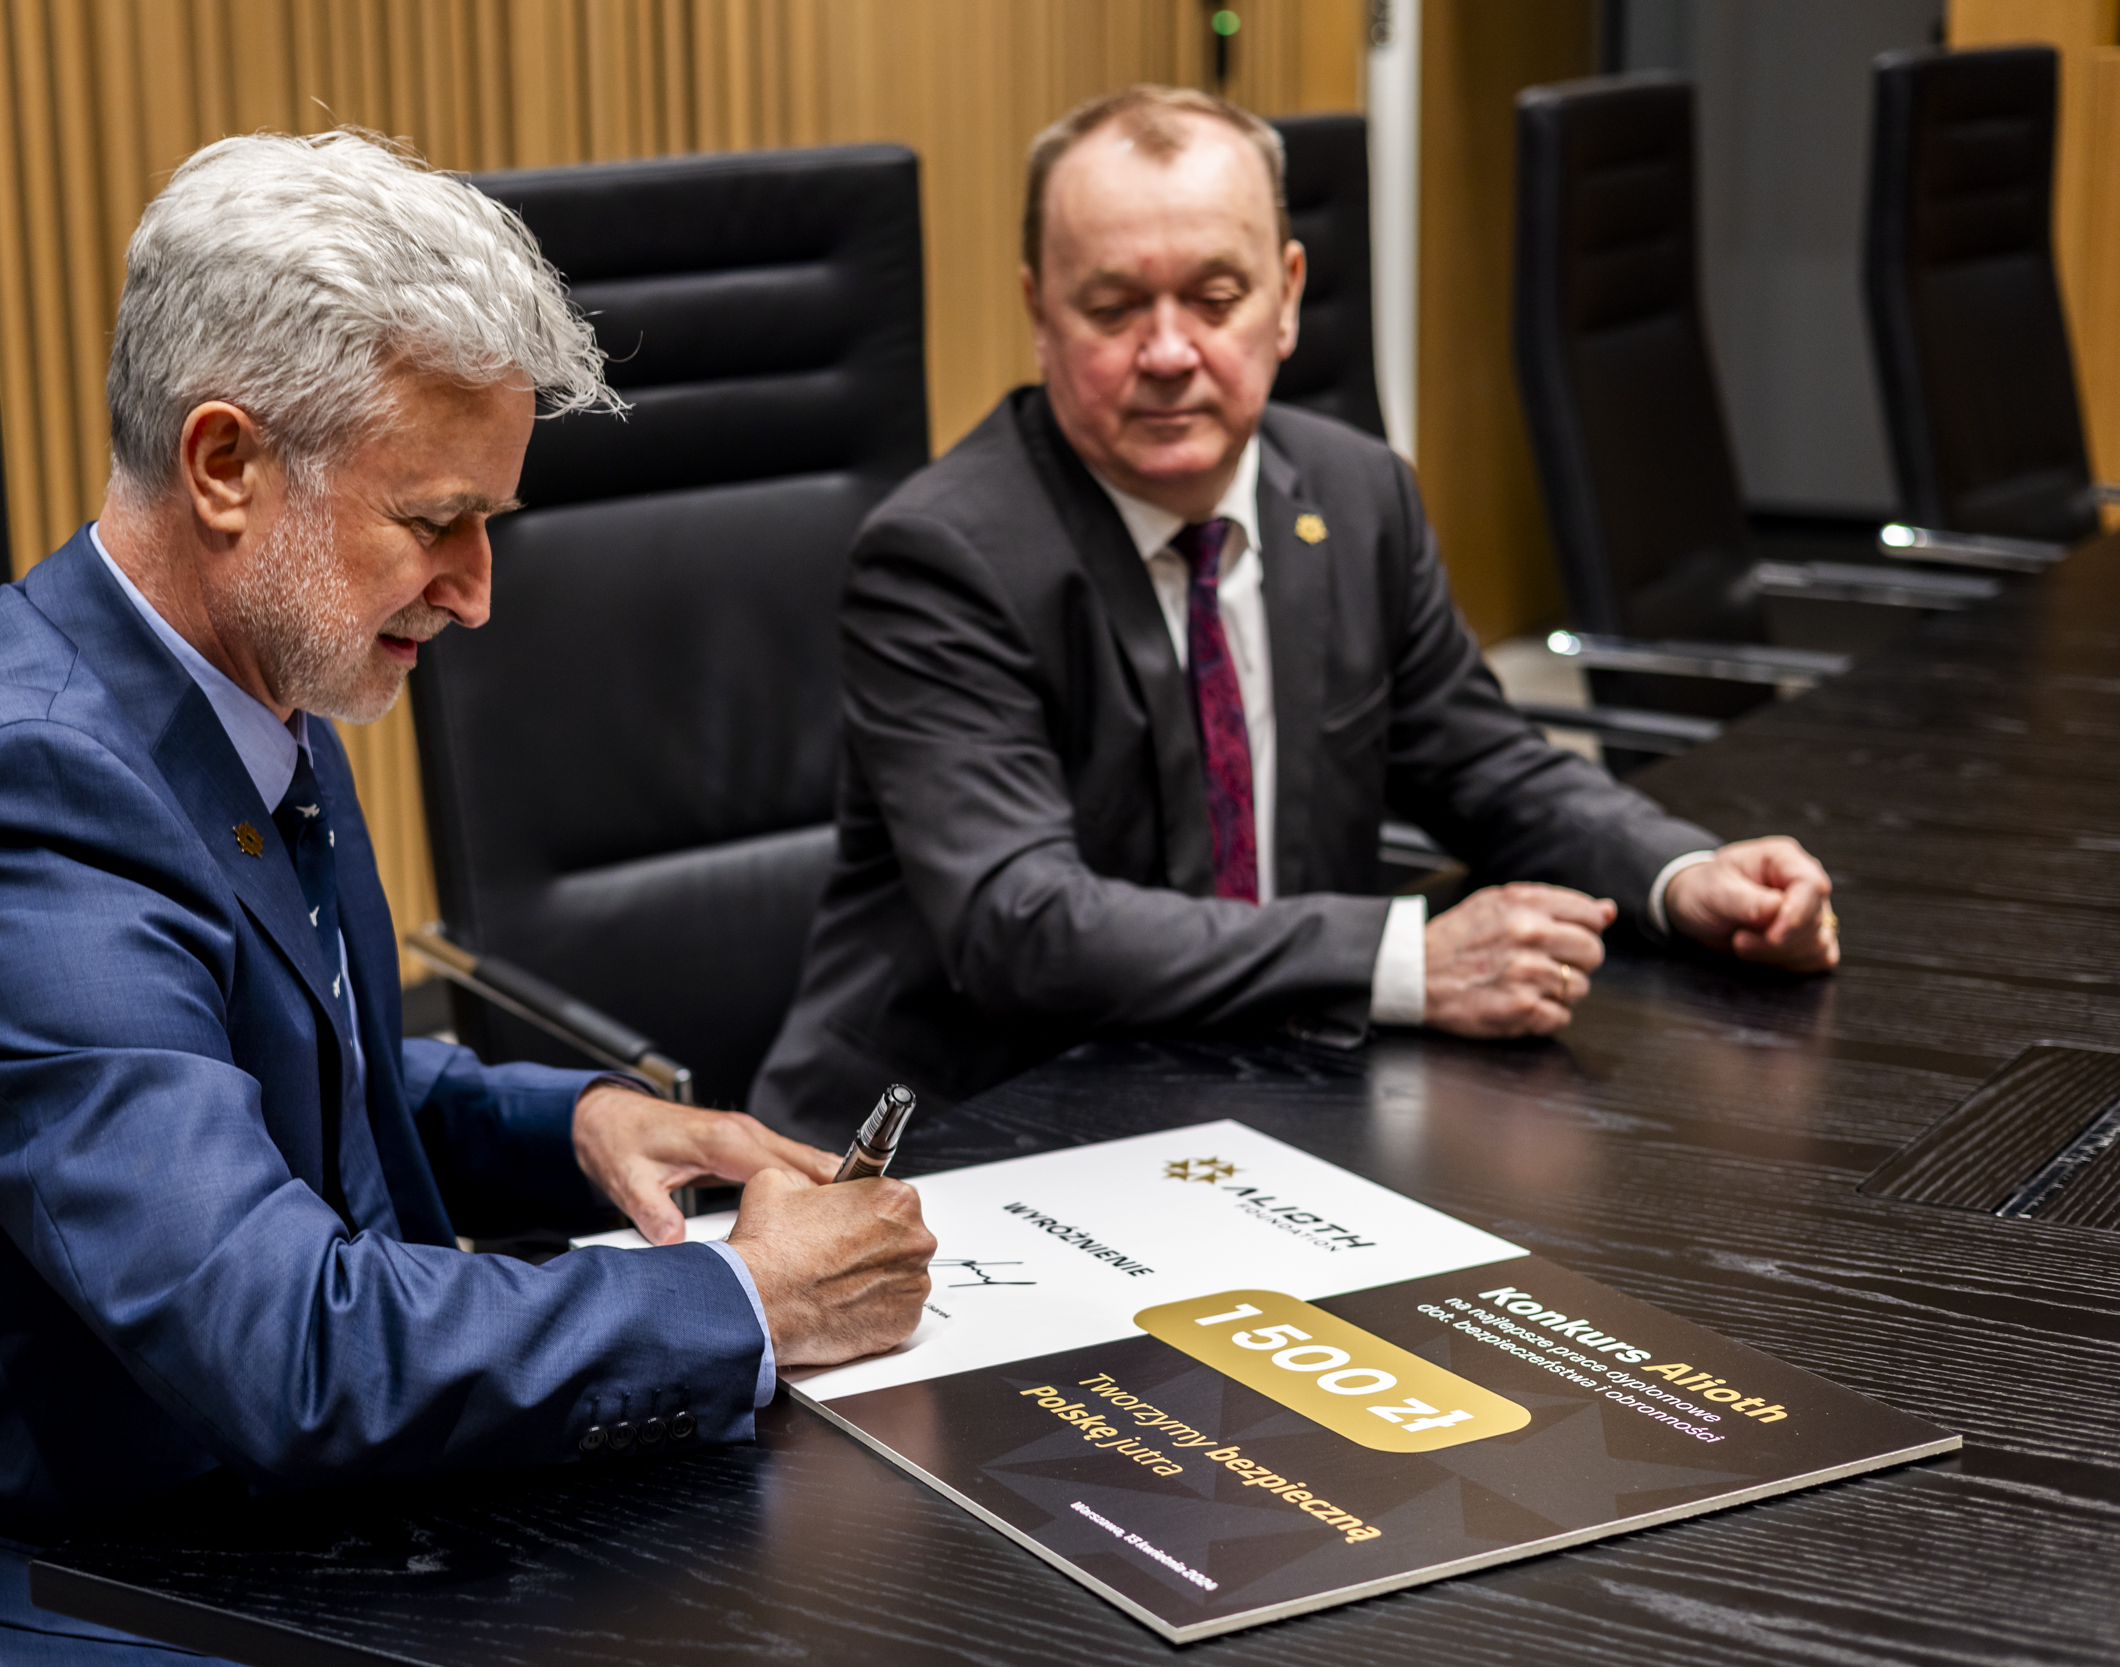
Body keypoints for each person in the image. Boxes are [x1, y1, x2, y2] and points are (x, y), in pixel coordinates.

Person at [0, 131, 934, 1666]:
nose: (480, 586)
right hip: (0, 1585)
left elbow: (263, 1068)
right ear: (226, 466)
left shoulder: (252, 673)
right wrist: (744, 1299)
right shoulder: (18, 806)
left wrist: (570, 1123)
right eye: (436, 520)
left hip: (239, 1515)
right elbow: (284, 1345)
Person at [750, 86, 1839, 1134]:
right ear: (1038, 311)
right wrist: (1400, 959)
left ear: (1287, 296)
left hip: (1255, 1099)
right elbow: (1021, 925)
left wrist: (1681, 874)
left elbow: (1489, 768)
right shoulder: (942, 554)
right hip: (956, 1138)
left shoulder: (1360, 496)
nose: (1169, 352)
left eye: (1215, 299)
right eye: (1114, 306)